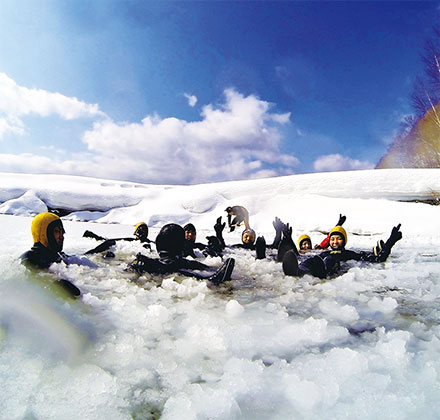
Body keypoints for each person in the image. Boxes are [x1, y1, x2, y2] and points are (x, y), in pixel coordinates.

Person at [21, 212, 116, 297]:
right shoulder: (30, 258)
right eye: (57, 231)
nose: (61, 236)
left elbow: (81, 260)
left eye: (62, 232)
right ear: (43, 233)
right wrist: (56, 284)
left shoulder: (59, 256)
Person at [128, 223, 235, 285]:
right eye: (187, 232)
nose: (190, 235)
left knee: (170, 266)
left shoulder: (197, 248)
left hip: (177, 263)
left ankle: (210, 279)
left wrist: (216, 243)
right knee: (171, 266)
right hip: (175, 263)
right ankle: (210, 280)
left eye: (193, 233)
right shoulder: (154, 260)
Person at [282, 224, 402, 279]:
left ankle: (322, 273)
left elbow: (377, 259)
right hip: (320, 265)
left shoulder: (349, 253)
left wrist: (390, 242)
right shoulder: (325, 252)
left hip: (332, 270)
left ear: (344, 241)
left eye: (338, 238)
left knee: (328, 260)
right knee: (313, 259)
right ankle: (300, 271)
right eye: (332, 239)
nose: (335, 242)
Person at [83, 221, 153, 251]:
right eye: (141, 230)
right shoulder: (131, 241)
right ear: (136, 232)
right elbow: (113, 241)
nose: (144, 232)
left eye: (145, 230)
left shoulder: (150, 243)